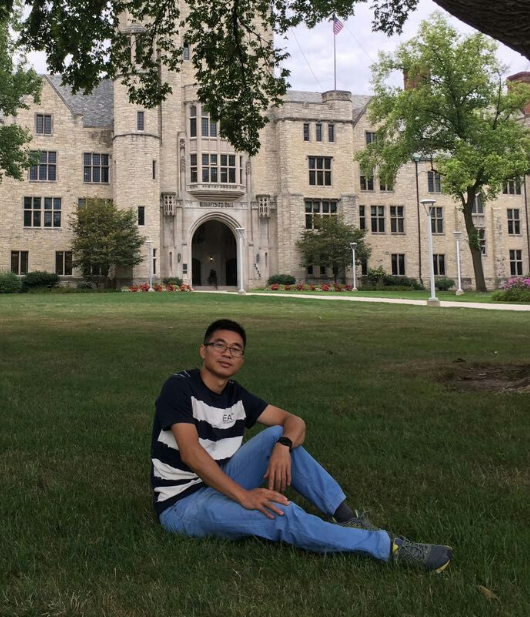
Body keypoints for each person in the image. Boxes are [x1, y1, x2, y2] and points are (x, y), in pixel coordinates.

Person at [150, 319, 452, 572]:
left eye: (236, 349)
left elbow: (294, 421)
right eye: (219, 345)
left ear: (242, 359)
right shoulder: (180, 387)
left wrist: (283, 445)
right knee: (279, 513)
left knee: (277, 435)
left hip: (219, 481)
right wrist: (245, 496)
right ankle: (388, 548)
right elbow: (191, 454)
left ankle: (348, 519)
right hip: (182, 504)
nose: (227, 353)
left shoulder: (235, 394)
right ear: (203, 350)